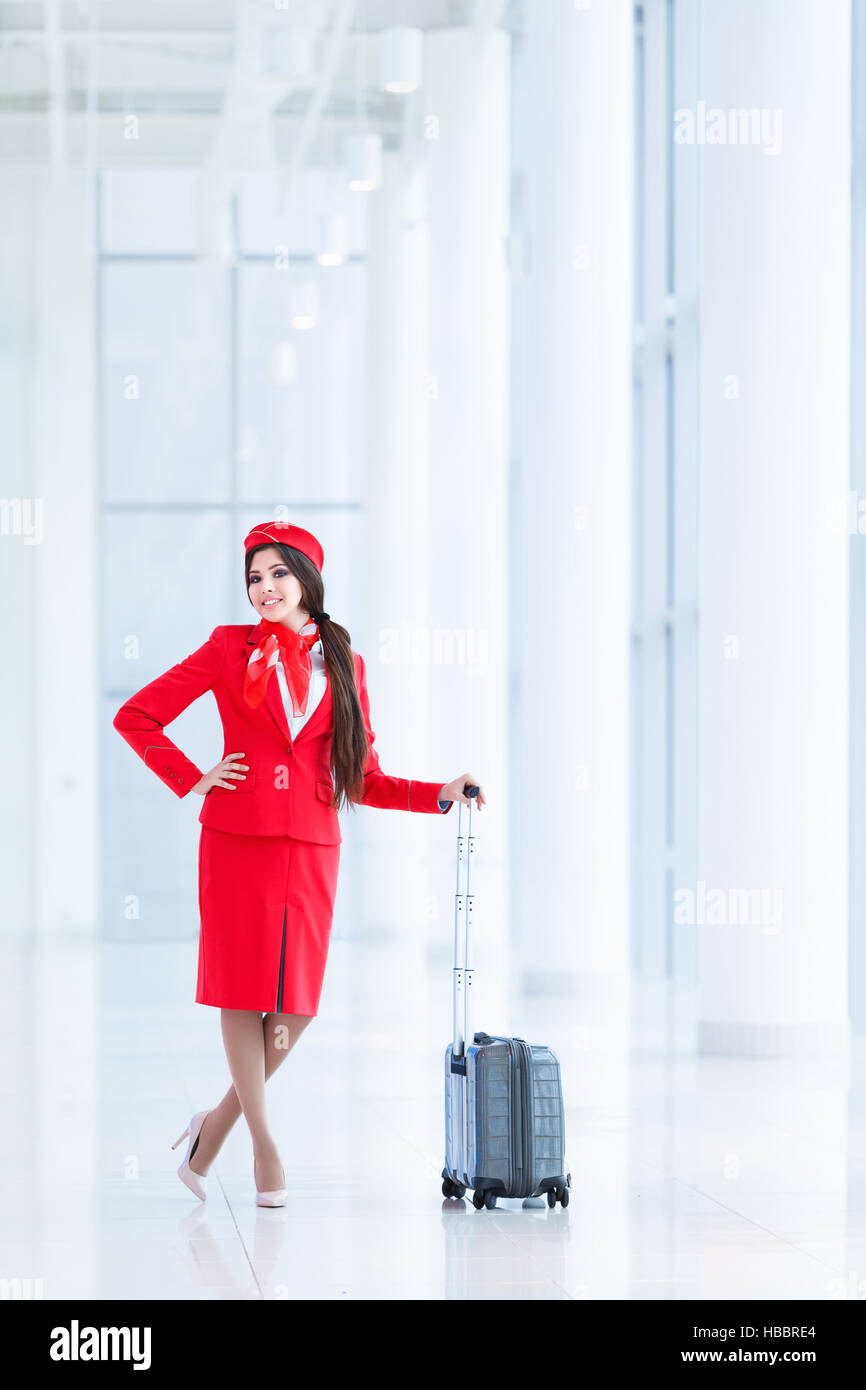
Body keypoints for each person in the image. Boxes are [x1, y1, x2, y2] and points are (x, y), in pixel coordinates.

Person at [112, 520, 486, 1207]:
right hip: (236, 840)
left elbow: (362, 778)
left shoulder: (344, 660)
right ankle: (264, 1147)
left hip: (312, 847)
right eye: (255, 576)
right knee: (240, 990)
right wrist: (193, 776)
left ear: (308, 579)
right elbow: (137, 715)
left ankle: (213, 1129)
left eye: (278, 573)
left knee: (296, 1004)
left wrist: (437, 793)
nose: (264, 588)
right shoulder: (229, 649)